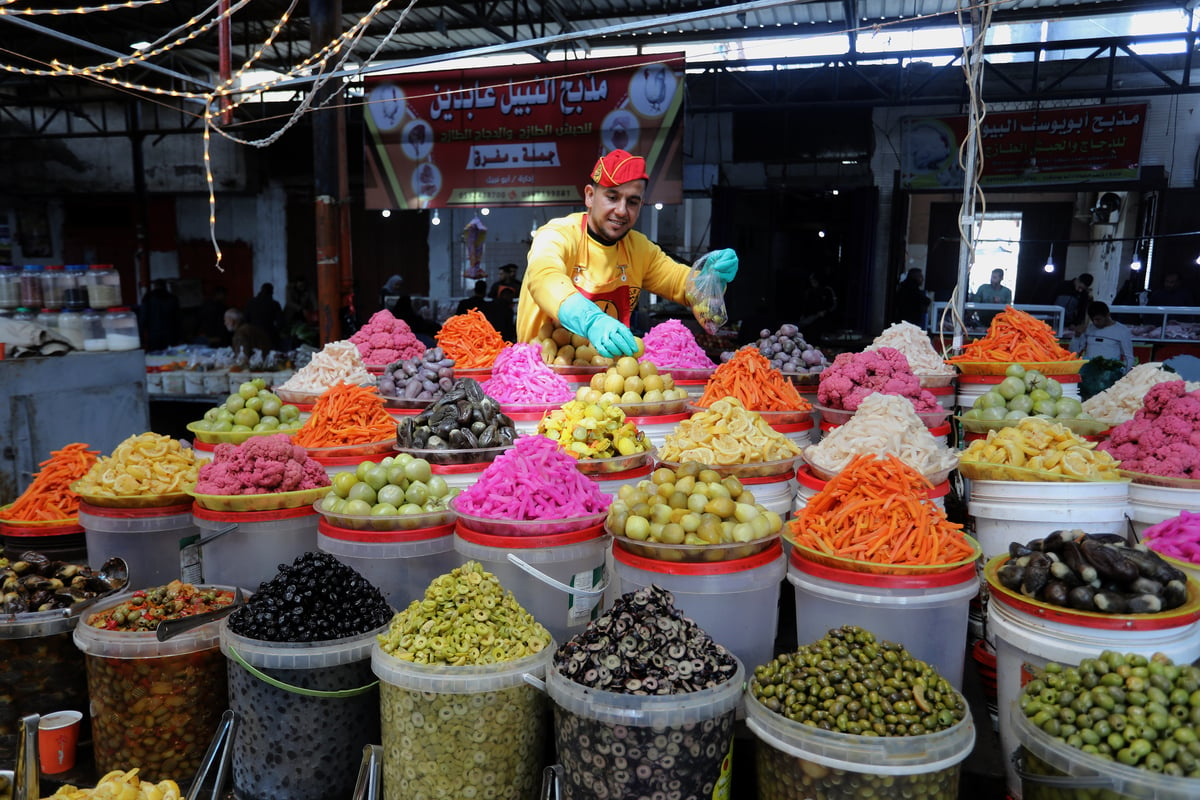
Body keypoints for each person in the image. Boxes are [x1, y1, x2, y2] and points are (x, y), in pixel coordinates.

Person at [517, 149, 738, 357]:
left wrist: (709, 278)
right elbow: (544, 277)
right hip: (539, 382)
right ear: (590, 196)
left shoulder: (640, 249)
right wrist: (591, 320)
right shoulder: (558, 234)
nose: (622, 211)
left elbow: (682, 284)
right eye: (612, 197)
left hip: (607, 384)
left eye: (632, 202)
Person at [1075, 302, 1135, 368]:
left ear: (1107, 315)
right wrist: (1076, 337)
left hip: (1111, 371)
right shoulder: (1088, 328)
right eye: (1093, 320)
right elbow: (1074, 352)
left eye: (1098, 319)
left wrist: (1124, 374)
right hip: (1089, 370)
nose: (1095, 322)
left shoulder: (1122, 330)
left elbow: (1128, 357)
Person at [138, 278, 180, 351]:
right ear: (165, 286)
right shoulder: (172, 298)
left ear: (155, 286)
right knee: (171, 357)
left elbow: (143, 318)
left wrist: (141, 336)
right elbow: (178, 318)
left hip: (154, 335)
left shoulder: (148, 297)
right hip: (170, 334)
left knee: (155, 357)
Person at [797, 271, 837, 342]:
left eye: (814, 280)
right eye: (811, 280)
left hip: (823, 320)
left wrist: (825, 312)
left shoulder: (827, 290)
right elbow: (806, 305)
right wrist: (803, 315)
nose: (812, 282)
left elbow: (833, 305)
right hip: (811, 320)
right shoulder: (809, 291)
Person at [244, 282, 282, 347]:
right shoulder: (274, 304)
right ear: (271, 292)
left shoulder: (251, 303)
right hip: (269, 335)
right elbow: (281, 322)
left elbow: (245, 319)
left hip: (253, 334)